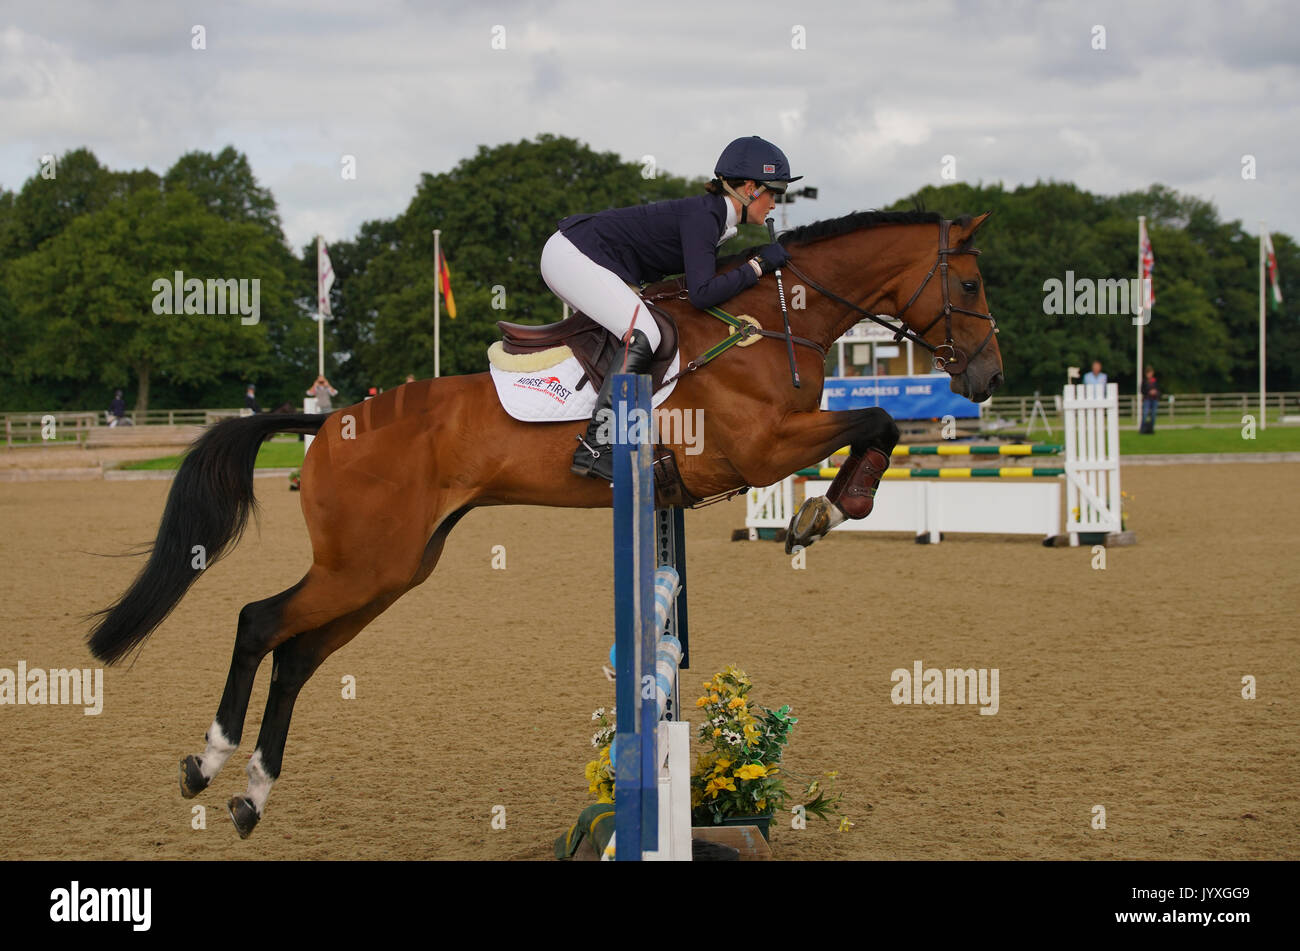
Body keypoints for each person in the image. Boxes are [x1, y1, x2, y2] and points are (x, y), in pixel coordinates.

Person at [541, 135, 799, 481]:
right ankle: (596, 445)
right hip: (572, 255)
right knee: (643, 332)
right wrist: (756, 267)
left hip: (591, 258)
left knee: (649, 326)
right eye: (774, 193)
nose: (774, 203)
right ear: (750, 188)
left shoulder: (715, 219)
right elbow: (703, 294)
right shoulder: (705, 217)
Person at [1140, 366, 1159, 434]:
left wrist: (1156, 392)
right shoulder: (1144, 381)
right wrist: (1149, 392)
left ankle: (1151, 429)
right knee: (1145, 414)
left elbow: (1159, 390)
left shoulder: (1155, 381)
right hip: (1147, 399)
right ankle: (1142, 429)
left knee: (1153, 415)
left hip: (1154, 399)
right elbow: (1142, 390)